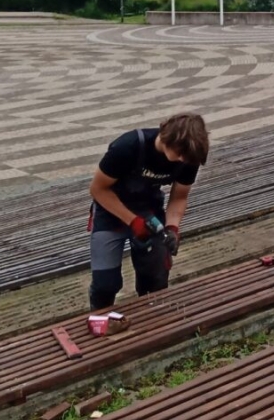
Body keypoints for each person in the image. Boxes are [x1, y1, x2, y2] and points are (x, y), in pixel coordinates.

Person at [87, 111, 210, 310]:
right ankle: (100, 320)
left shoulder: (188, 158)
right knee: (105, 284)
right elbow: (97, 189)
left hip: (149, 212)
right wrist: (132, 221)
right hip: (110, 213)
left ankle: (151, 319)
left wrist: (172, 228)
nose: (182, 161)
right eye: (180, 156)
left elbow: (179, 197)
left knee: (156, 278)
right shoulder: (128, 146)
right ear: (170, 141)